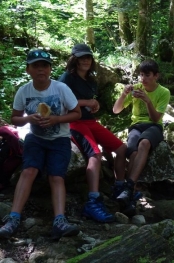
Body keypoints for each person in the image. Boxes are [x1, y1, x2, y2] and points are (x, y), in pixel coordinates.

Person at [0, 49, 81, 240]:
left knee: (56, 176)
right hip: (35, 139)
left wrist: (55, 120)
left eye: (44, 65)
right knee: (29, 171)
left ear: (50, 69)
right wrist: (29, 119)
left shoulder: (61, 88)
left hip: (60, 139)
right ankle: (13, 219)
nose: (40, 70)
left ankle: (59, 221)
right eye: (36, 66)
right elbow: (15, 118)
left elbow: (77, 113)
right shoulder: (24, 90)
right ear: (28, 69)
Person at [58, 44, 127, 223]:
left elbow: (86, 102)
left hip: (90, 121)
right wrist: (86, 101)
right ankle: (93, 201)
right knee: (95, 155)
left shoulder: (91, 81)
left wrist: (93, 104)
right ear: (74, 59)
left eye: (88, 57)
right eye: (82, 58)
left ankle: (120, 188)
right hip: (73, 121)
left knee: (121, 149)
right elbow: (61, 101)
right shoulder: (67, 78)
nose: (86, 60)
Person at [112, 59, 170, 216]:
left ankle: (128, 187)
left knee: (144, 143)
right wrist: (124, 95)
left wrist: (147, 100)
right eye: (141, 75)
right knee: (133, 153)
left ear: (156, 76)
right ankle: (129, 195)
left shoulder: (163, 92)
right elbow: (116, 110)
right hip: (136, 126)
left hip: (154, 126)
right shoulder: (135, 89)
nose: (143, 79)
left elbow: (156, 118)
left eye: (147, 75)